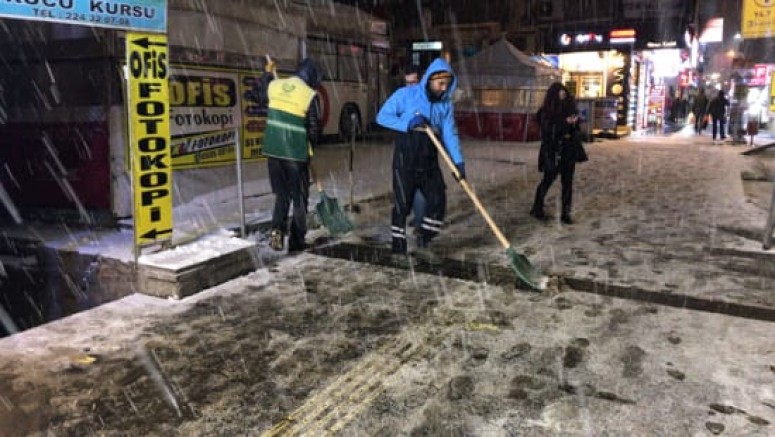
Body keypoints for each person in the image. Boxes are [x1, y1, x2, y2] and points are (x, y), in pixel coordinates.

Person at [377, 58, 465, 255]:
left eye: (447, 85)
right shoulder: (405, 95)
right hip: (405, 158)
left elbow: (450, 134)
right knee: (402, 205)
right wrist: (407, 123)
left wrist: (458, 162)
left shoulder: (445, 106)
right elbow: (382, 116)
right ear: (430, 80)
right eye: (440, 84)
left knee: (437, 201)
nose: (444, 89)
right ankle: (398, 248)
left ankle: (424, 237)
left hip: (429, 160)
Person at [263, 58, 322, 252]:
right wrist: (310, 148)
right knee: (299, 198)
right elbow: (314, 127)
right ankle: (296, 241)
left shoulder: (275, 85)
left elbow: (256, 95)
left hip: (273, 151)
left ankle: (276, 232)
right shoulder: (309, 95)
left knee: (282, 195)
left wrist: (266, 73)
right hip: (295, 154)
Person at [530, 82, 583, 225]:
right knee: (548, 179)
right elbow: (548, 132)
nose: (563, 97)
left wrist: (574, 123)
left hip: (568, 150)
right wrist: (565, 123)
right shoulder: (546, 111)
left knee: (567, 182)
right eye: (560, 94)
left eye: (564, 94)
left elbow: (576, 129)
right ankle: (537, 207)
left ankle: (566, 213)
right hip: (553, 151)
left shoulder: (569, 107)